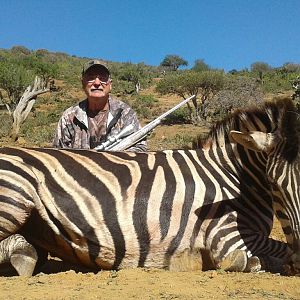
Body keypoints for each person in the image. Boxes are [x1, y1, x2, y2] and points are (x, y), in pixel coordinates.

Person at [53, 60, 147, 152]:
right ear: (83, 83)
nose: (97, 83)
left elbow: (140, 149)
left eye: (102, 78)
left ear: (110, 85)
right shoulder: (69, 117)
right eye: (91, 77)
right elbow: (58, 153)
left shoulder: (125, 113)